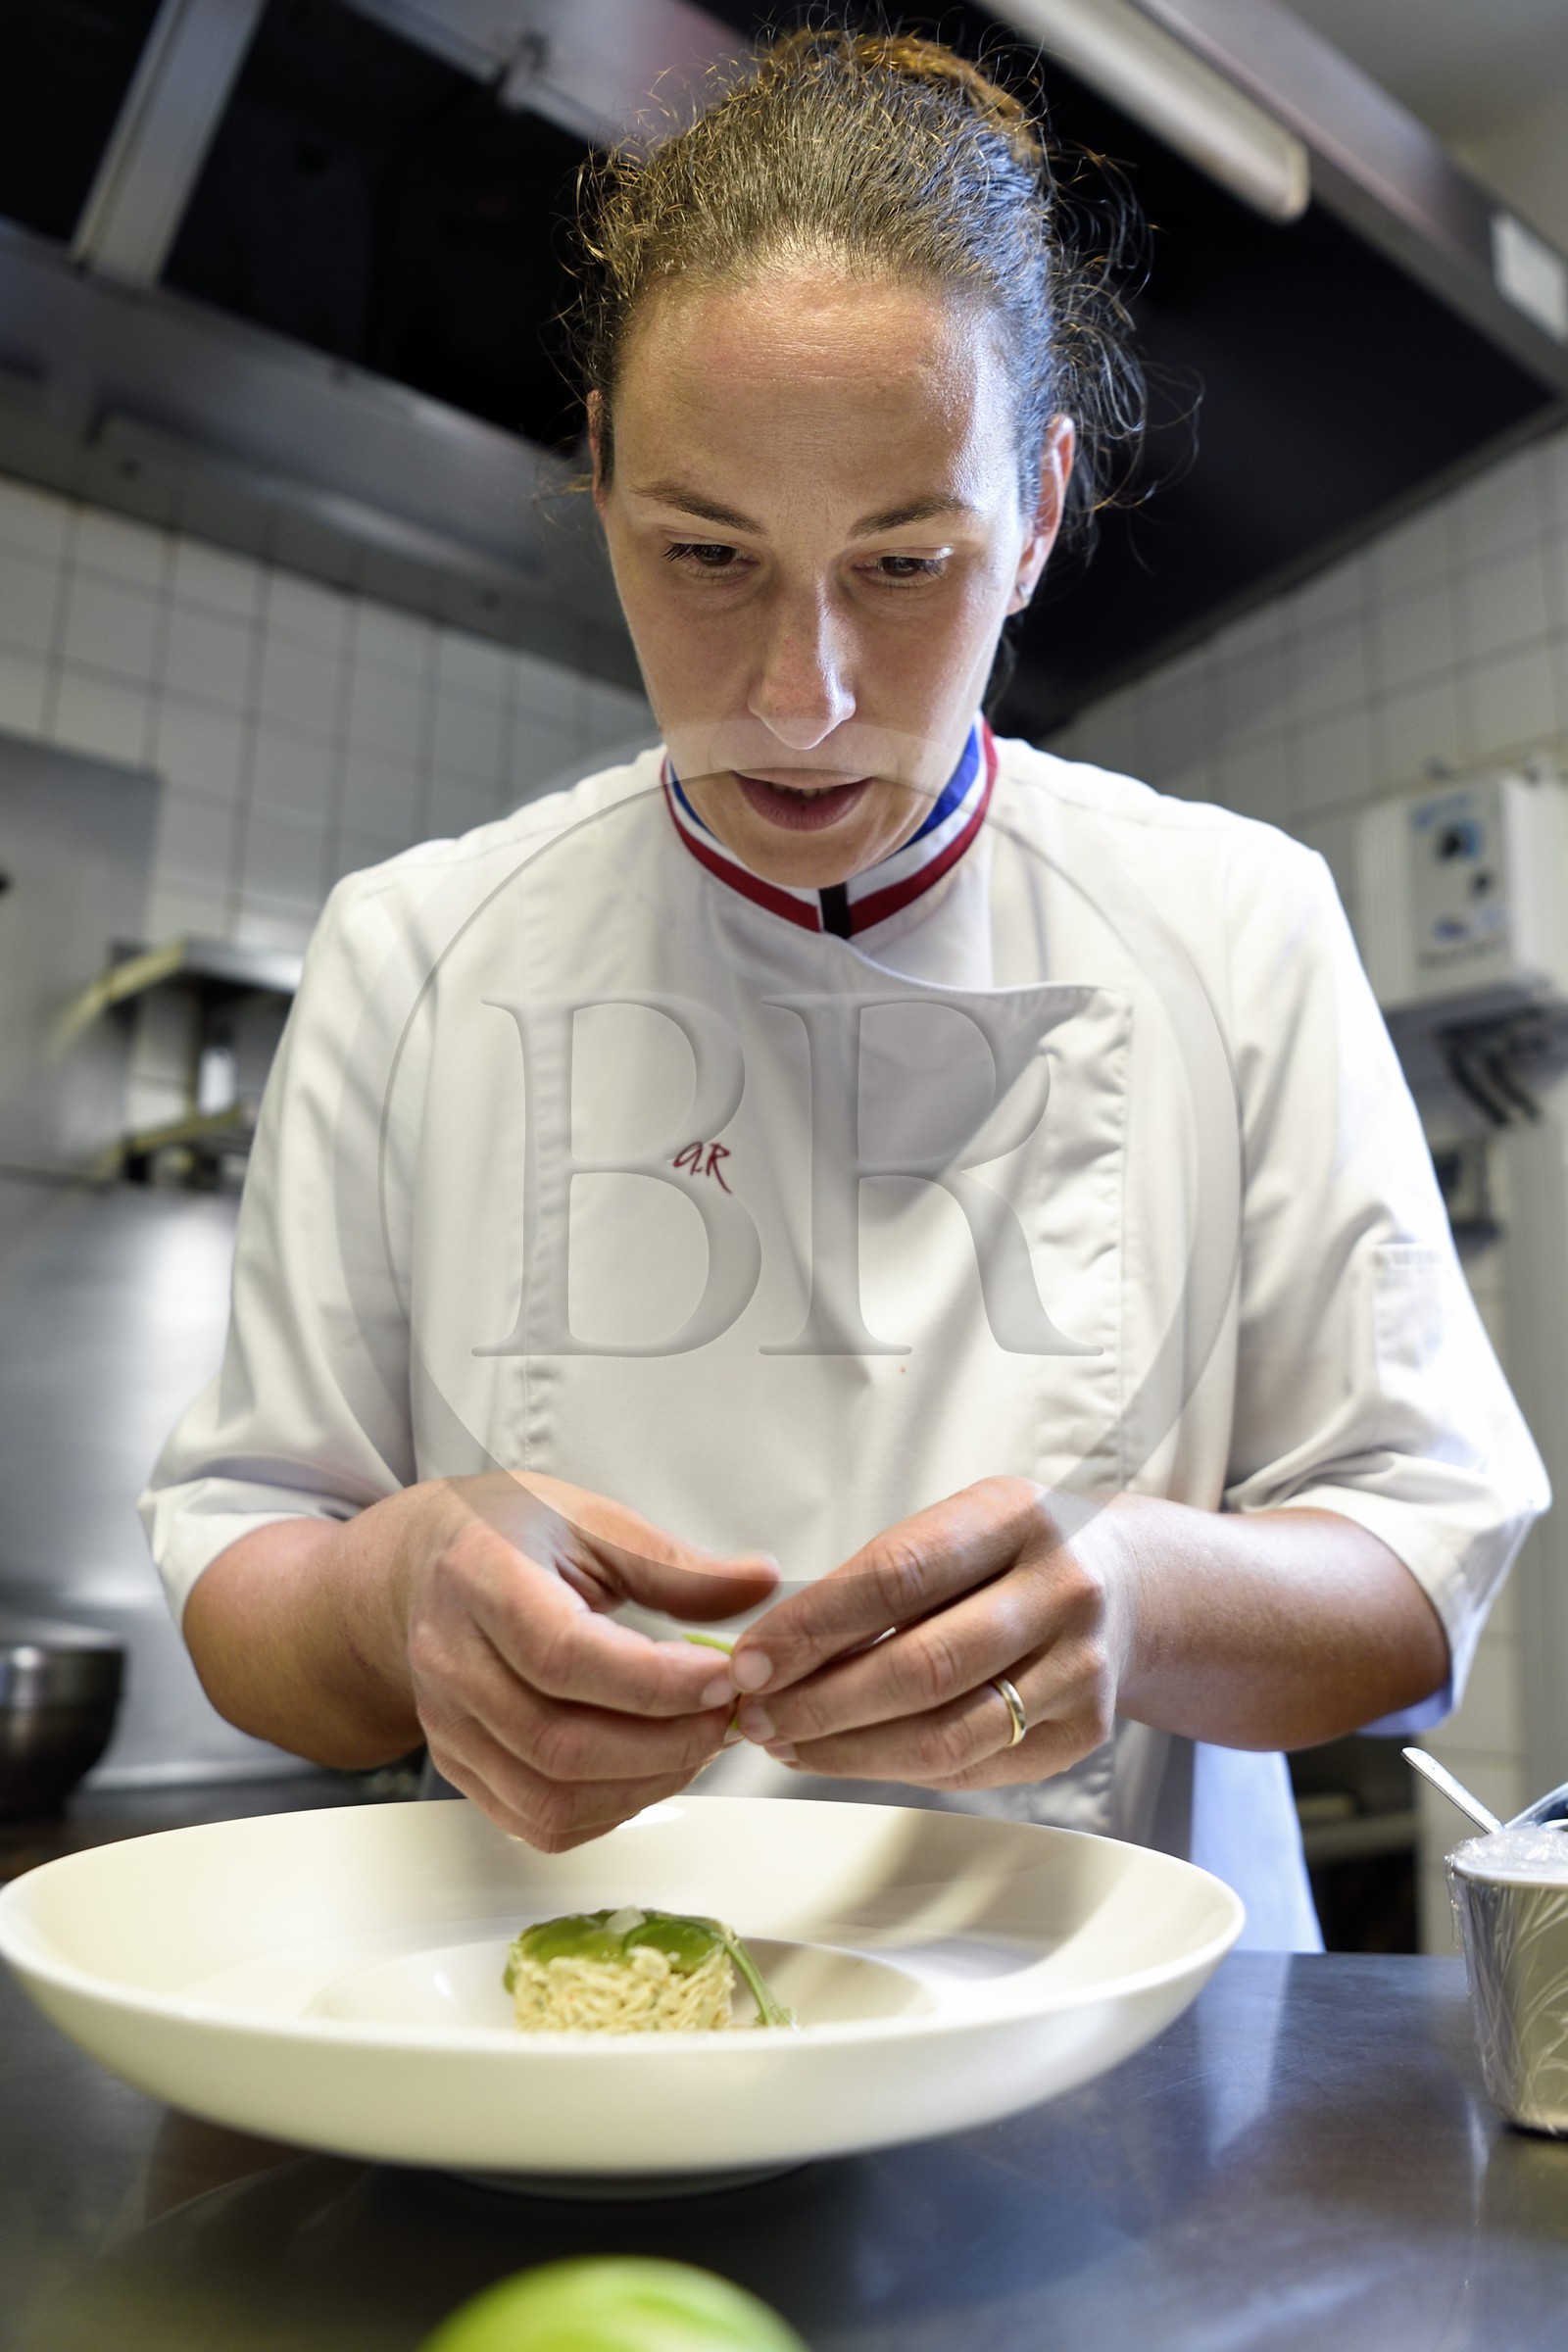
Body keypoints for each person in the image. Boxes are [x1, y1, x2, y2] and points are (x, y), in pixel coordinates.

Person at [140, 28, 1545, 1951]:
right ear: (601, 473)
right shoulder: (417, 955)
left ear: (1037, 510)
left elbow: (1416, 1585)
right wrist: (387, 1595)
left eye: (903, 561)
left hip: (1120, 2101)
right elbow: (247, 1578)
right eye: (705, 553)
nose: (796, 696)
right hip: (576, 2058)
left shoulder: (1228, 928)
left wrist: (1131, 1596)